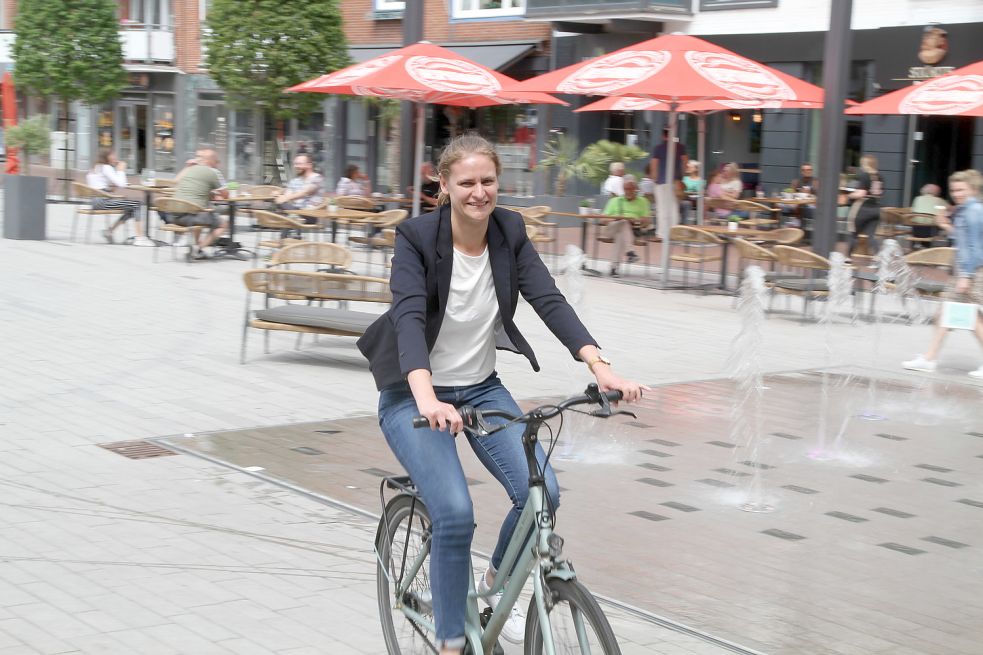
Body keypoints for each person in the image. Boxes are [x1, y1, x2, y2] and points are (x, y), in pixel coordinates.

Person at [356, 133, 647, 654]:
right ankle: (449, 642)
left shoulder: (509, 229)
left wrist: (601, 366)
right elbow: (407, 317)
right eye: (466, 182)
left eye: (487, 180)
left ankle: (495, 588)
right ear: (443, 185)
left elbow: (547, 297)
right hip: (413, 396)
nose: (479, 192)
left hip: (480, 387)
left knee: (543, 496)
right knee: (454, 512)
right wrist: (425, 396)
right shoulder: (417, 237)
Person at [902, 170, 983, 378]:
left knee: (969, 317)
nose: (956, 193)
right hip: (966, 271)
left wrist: (965, 275)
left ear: (973, 189)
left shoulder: (973, 211)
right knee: (947, 314)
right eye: (954, 190)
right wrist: (946, 226)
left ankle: (929, 359)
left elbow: (975, 246)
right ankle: (929, 358)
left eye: (961, 189)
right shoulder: (968, 210)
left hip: (971, 272)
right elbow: (964, 238)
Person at [171, 146, 229, 260]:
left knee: (202, 212)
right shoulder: (212, 172)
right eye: (216, 160)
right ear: (210, 161)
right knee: (223, 224)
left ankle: (195, 247)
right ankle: (198, 249)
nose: (217, 162)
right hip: (190, 217)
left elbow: (176, 183)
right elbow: (225, 195)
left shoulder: (190, 169)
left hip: (174, 216)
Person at [85, 149, 148, 245]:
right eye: (112, 155)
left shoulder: (95, 168)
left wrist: (112, 187)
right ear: (106, 157)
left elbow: (102, 187)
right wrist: (121, 170)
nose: (115, 158)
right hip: (103, 201)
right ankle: (140, 238)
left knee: (131, 208)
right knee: (137, 205)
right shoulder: (106, 167)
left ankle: (109, 231)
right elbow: (122, 184)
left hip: (95, 201)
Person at [602, 175, 651, 277]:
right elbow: (603, 220)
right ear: (623, 189)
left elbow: (647, 222)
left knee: (621, 233)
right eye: (626, 188)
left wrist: (638, 220)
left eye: (631, 188)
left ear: (636, 189)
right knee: (623, 222)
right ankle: (630, 252)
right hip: (611, 229)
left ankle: (613, 268)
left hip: (632, 231)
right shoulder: (615, 201)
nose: (628, 191)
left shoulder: (643, 201)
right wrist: (616, 218)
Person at [649, 127, 688, 239]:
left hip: (661, 181)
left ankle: (661, 234)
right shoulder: (680, 147)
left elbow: (654, 164)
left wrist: (654, 178)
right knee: (674, 208)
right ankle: (674, 232)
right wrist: (682, 175)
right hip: (675, 181)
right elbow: (685, 162)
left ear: (663, 136)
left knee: (662, 208)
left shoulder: (658, 148)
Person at [845, 155, 884, 262]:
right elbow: (880, 194)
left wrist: (849, 195)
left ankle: (848, 258)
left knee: (853, 233)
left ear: (865, 164)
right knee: (872, 235)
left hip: (862, 208)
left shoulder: (864, 176)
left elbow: (861, 193)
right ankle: (878, 257)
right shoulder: (880, 177)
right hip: (876, 208)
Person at [909, 183, 950, 247]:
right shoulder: (939, 200)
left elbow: (912, 211)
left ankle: (918, 246)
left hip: (915, 229)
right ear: (937, 192)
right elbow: (949, 209)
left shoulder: (917, 198)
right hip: (931, 230)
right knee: (943, 224)